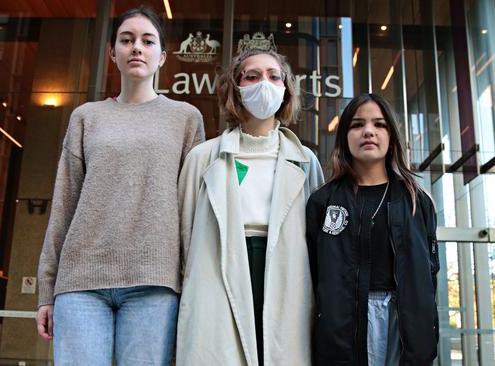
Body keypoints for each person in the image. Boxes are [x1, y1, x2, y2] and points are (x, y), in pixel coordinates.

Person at [35, 7, 204, 365]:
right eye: (127, 40)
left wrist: (193, 282)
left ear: (162, 56)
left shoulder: (186, 118)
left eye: (147, 41)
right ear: (113, 53)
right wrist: (46, 291)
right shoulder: (86, 117)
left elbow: (193, 209)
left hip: (155, 281)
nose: (137, 48)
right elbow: (64, 204)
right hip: (81, 280)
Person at [176, 48, 324, 366]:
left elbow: (317, 239)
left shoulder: (306, 161)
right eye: (252, 76)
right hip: (218, 271)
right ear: (236, 88)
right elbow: (184, 235)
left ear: (286, 89)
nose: (263, 83)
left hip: (286, 274)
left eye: (273, 76)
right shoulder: (203, 158)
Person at [306, 94, 439, 366]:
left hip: (402, 324)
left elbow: (430, 275)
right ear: (344, 136)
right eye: (357, 125)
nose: (369, 131)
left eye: (379, 124)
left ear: (391, 136)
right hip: (342, 326)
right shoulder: (323, 201)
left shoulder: (417, 200)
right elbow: (311, 275)